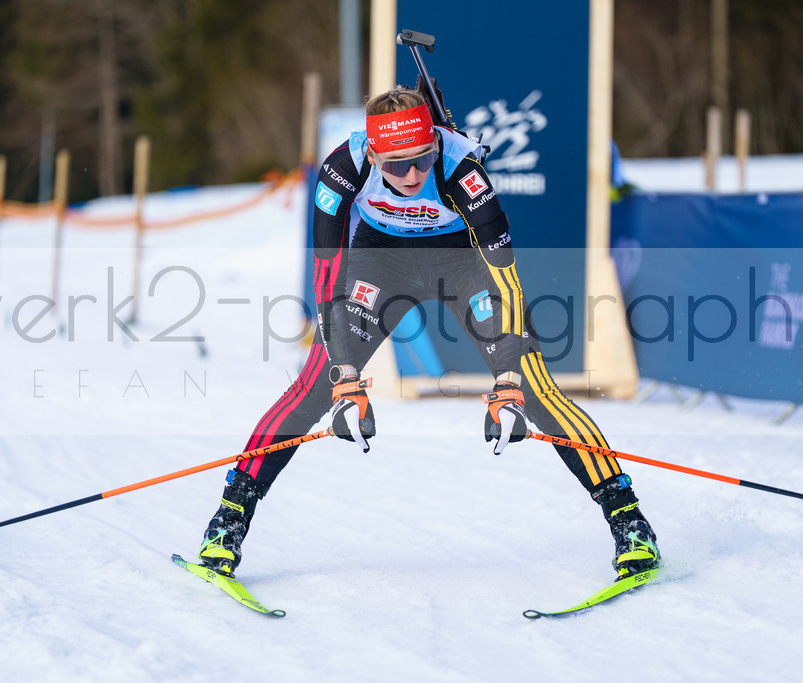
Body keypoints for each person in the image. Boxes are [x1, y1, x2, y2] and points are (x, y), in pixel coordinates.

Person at [196, 86, 660, 583]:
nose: (413, 175)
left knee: (536, 389)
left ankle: (631, 524)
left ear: (435, 146)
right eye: (397, 167)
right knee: (313, 386)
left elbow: (505, 276)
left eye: (421, 160)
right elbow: (328, 276)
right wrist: (346, 374)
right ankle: (228, 522)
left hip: (461, 262)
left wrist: (507, 376)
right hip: (380, 259)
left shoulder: (462, 171)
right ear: (373, 154)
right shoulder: (341, 170)